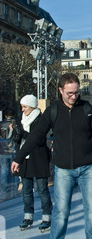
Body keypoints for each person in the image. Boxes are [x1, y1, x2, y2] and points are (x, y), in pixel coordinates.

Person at [11, 73, 92, 239]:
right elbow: (36, 136)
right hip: (63, 169)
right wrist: (19, 157)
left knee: (91, 210)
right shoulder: (53, 110)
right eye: (70, 93)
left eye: (77, 92)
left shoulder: (87, 109)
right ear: (61, 91)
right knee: (61, 212)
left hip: (88, 167)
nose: (74, 96)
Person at [11, 95, 52, 231]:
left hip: (39, 158)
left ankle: (47, 215)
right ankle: (28, 216)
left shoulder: (40, 119)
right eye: (22, 107)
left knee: (42, 189)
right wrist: (16, 134)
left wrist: (22, 133)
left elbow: (38, 140)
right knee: (26, 190)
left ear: (32, 106)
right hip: (25, 159)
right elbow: (20, 140)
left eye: (25, 107)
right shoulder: (22, 120)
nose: (23, 110)